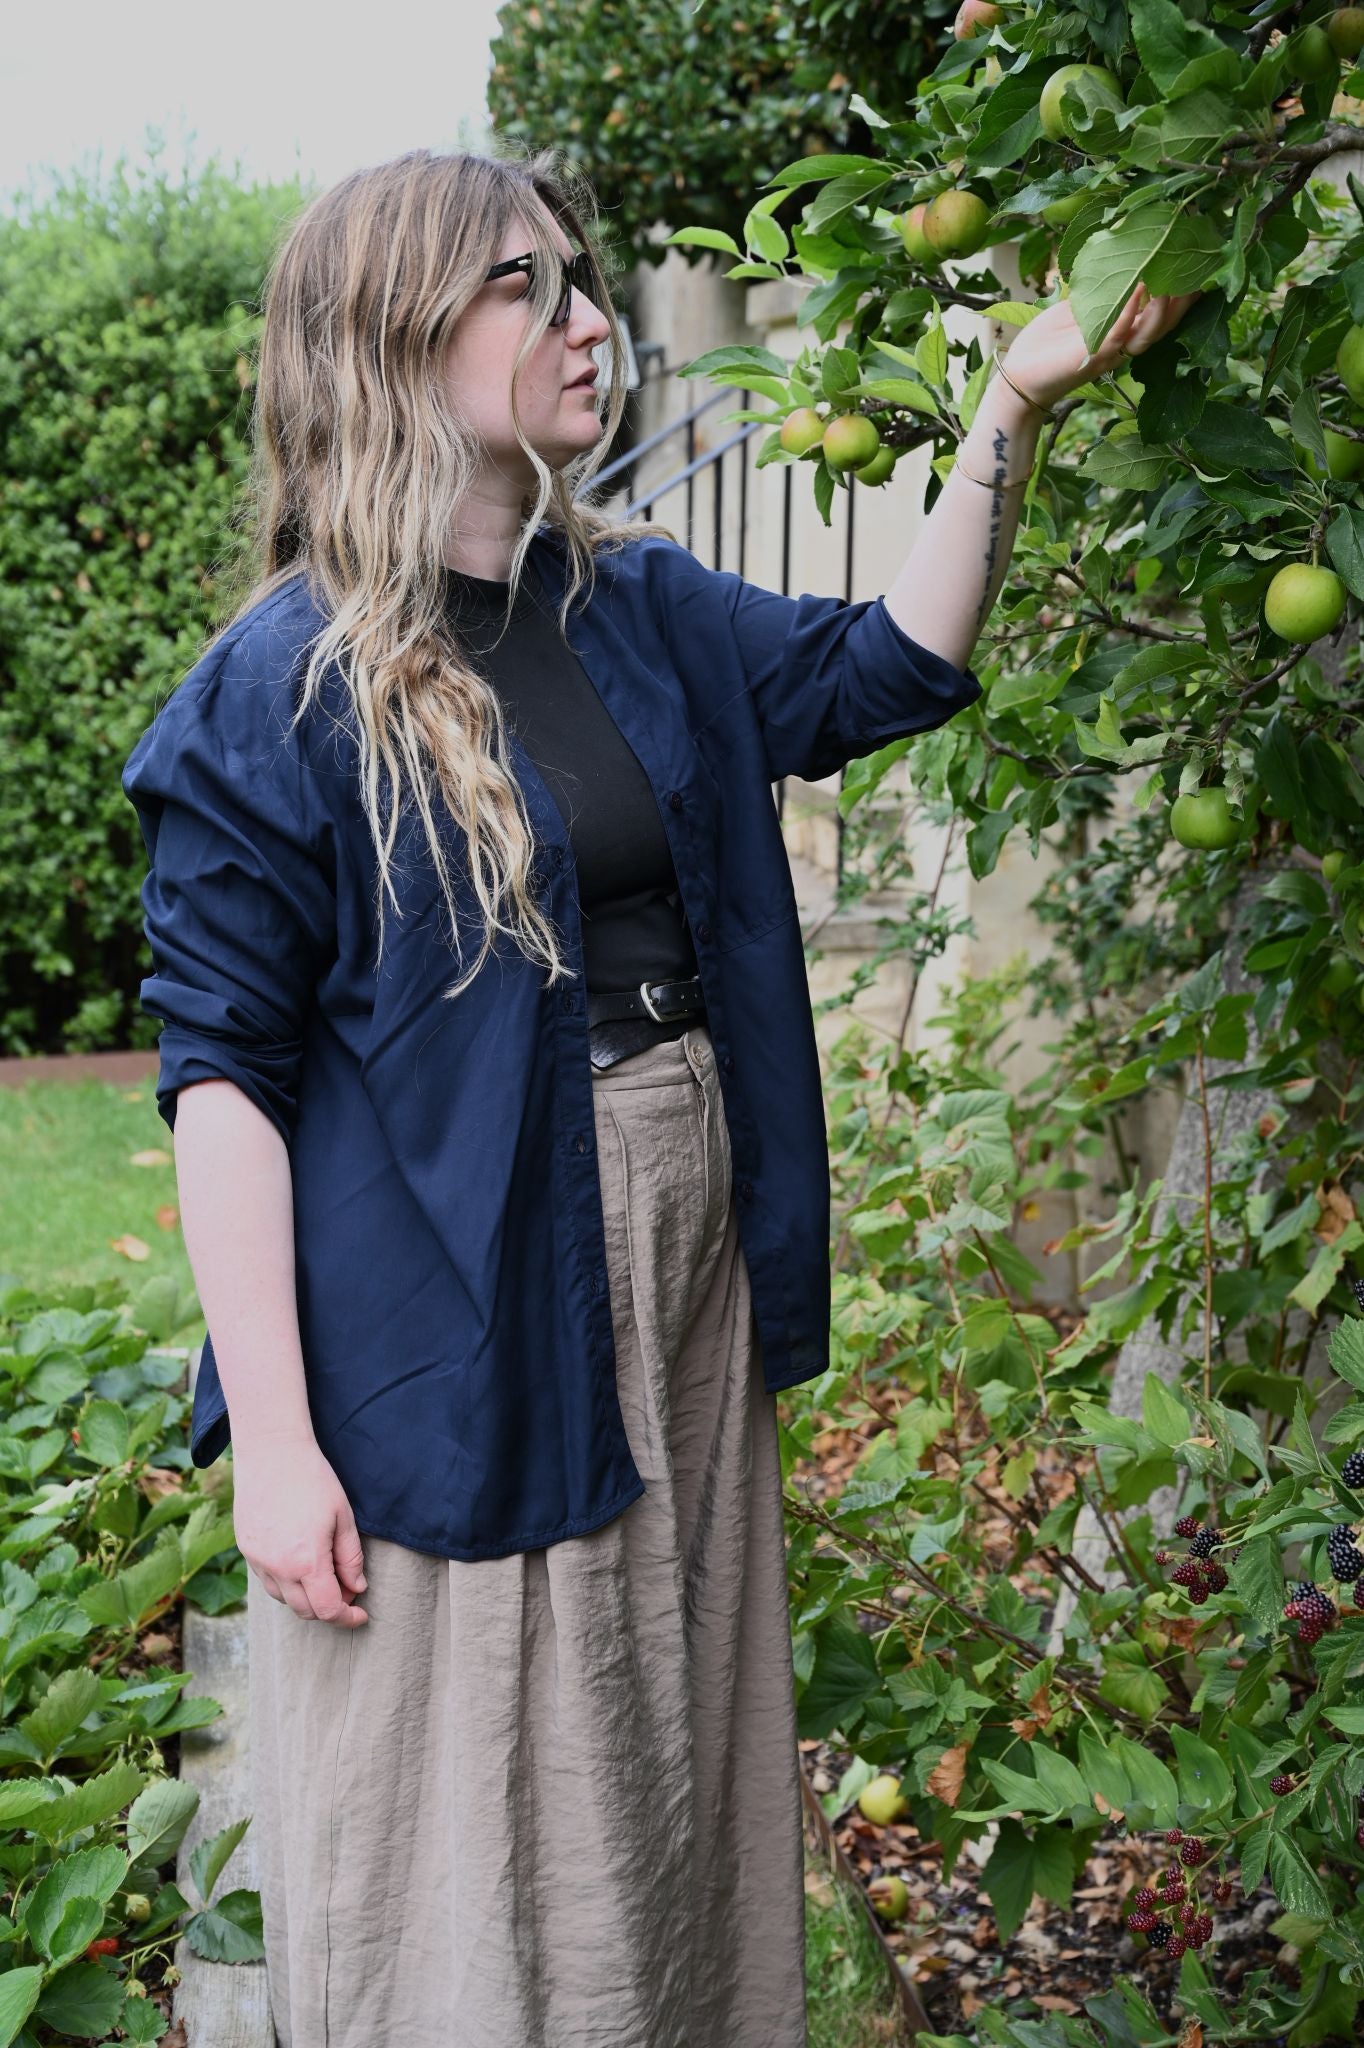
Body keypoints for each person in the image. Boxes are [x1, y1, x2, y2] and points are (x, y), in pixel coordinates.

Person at [120, 140, 1197, 2045]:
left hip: (680, 1270)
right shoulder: (284, 687)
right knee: (471, 1776)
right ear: (389, 341)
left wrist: (1010, 406)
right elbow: (223, 1080)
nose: (590, 322)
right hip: (460, 1304)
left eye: (584, 279)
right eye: (525, 289)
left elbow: (887, 669)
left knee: (664, 1729)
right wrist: (276, 1451)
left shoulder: (631, 606)